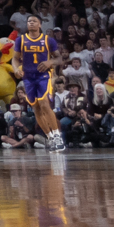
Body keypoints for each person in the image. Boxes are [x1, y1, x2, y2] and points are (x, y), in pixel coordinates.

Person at [14, 14, 67, 153]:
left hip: (43, 76)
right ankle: (49, 137)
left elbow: (59, 58)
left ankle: (57, 136)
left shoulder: (48, 40)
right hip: (27, 77)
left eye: (34, 21)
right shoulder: (21, 40)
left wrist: (50, 62)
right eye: (29, 21)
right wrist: (15, 69)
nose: (31, 23)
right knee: (36, 108)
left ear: (40, 25)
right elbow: (15, 59)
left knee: (44, 103)